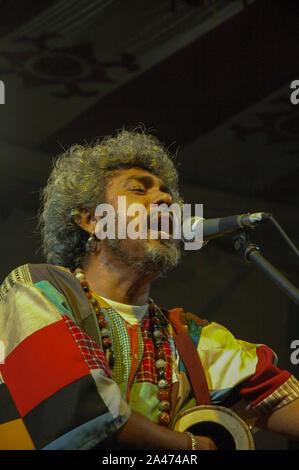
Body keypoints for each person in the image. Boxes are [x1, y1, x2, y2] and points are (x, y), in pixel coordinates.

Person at [0, 129, 298, 450]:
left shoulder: (192, 339)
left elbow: (282, 399)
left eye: (167, 193)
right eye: (138, 190)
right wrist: (192, 447)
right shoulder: (37, 289)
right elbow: (80, 417)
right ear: (90, 219)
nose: (165, 199)